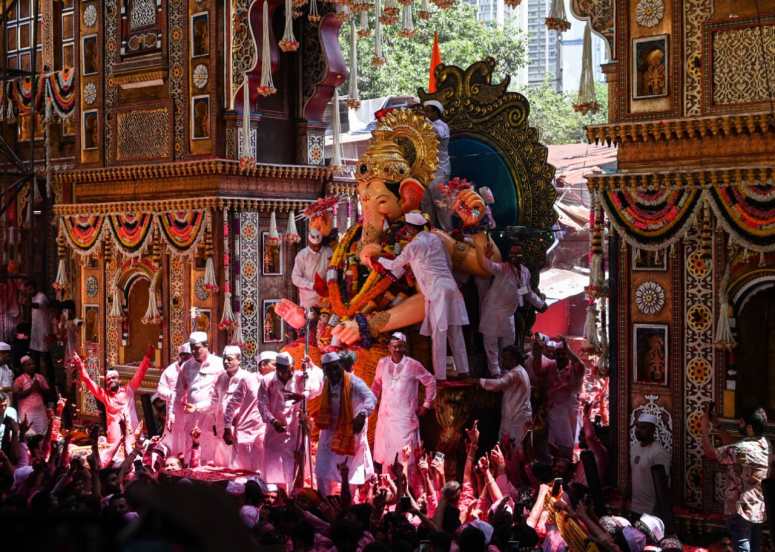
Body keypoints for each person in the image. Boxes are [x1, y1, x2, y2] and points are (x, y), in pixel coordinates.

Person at [376, 211, 470, 380]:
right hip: (451, 286)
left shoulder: (414, 246)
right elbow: (448, 263)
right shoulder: (436, 239)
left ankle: (440, 376)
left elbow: (394, 264)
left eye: (407, 228)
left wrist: (377, 259)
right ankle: (464, 370)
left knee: (439, 333)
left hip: (437, 290)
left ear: (411, 228)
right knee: (455, 330)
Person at [702, 405, 769, 552]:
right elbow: (733, 445)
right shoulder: (764, 444)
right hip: (758, 506)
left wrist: (704, 429)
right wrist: (717, 424)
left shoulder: (741, 449)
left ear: (749, 427)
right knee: (755, 546)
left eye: (742, 422)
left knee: (742, 545)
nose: (739, 424)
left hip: (740, 508)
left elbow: (710, 453)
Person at [309, 351, 376, 495]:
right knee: (322, 468)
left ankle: (349, 504)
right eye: (328, 369)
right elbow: (311, 380)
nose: (332, 372)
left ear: (340, 366)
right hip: (329, 431)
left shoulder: (353, 381)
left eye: (335, 368)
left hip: (349, 432)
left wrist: (363, 414)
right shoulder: (327, 382)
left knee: (349, 471)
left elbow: (371, 398)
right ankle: (324, 501)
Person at [72, 346, 154, 463]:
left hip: (132, 439)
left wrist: (147, 357)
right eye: (108, 380)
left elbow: (140, 373)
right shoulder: (105, 396)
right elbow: (88, 382)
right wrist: (80, 365)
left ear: (119, 380)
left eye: (113, 378)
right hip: (114, 442)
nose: (110, 381)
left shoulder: (128, 390)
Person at [477, 243, 546, 376]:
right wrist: (485, 256)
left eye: (517, 254)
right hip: (492, 312)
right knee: (491, 347)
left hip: (509, 315)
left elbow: (526, 291)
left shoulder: (525, 272)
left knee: (508, 346)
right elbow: (489, 266)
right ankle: (495, 375)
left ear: (522, 256)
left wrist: (540, 304)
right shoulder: (503, 268)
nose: (514, 257)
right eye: (512, 254)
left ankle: (507, 373)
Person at [258, 352, 324, 489]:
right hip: (275, 429)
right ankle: (278, 494)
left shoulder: (301, 377)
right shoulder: (267, 380)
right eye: (284, 370)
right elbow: (262, 404)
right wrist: (273, 421)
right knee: (275, 466)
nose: (290, 372)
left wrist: (303, 393)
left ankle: (294, 494)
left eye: (291, 369)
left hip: (296, 428)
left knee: (295, 463)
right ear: (278, 369)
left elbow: (317, 388)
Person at [371, 332, 436, 468]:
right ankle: (388, 486)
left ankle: (407, 486)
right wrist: (372, 403)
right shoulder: (382, 363)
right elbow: (376, 385)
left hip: (404, 418)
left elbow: (430, 381)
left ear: (404, 347)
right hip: (386, 417)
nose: (396, 349)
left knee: (404, 456)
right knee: (386, 456)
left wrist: (426, 404)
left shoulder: (413, 365)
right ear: (388, 347)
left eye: (399, 346)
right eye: (393, 346)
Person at [168, 331, 224, 463]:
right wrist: (172, 413)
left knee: (209, 449)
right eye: (192, 347)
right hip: (191, 416)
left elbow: (222, 394)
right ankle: (189, 477)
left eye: (198, 347)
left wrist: (200, 407)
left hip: (211, 415)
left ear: (206, 346)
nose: (194, 351)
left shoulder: (219, 364)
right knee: (190, 448)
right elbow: (178, 392)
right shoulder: (186, 366)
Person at [531, 336, 584, 462]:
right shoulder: (551, 365)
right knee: (550, 443)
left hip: (568, 412)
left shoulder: (574, 369)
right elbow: (537, 369)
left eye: (563, 354)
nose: (560, 356)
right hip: (551, 411)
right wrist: (538, 351)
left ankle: (564, 468)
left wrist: (568, 350)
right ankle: (552, 468)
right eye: (557, 354)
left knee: (565, 443)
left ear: (568, 355)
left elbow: (580, 365)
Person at [220, 345, 265, 472]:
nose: (226, 362)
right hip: (240, 430)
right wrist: (227, 426)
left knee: (259, 467)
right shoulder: (248, 379)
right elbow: (230, 405)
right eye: (224, 359)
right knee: (238, 468)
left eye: (229, 359)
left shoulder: (276, 382)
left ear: (239, 360)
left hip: (261, 430)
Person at [478, 345, 532, 449]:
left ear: (514, 359)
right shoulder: (519, 371)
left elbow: (499, 384)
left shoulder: (516, 373)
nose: (503, 361)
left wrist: (478, 381)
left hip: (516, 419)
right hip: (517, 417)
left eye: (506, 359)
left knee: (514, 449)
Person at [420, 100, 453, 231]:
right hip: (426, 172)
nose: (426, 114)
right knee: (426, 204)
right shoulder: (426, 126)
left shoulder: (442, 126)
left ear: (435, 112)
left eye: (428, 111)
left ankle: (448, 234)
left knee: (441, 205)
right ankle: (431, 233)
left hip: (440, 171)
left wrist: (424, 121)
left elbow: (438, 134)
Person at [629, 413, 670, 516]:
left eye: (643, 427)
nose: (638, 430)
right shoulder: (634, 448)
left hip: (651, 510)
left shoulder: (658, 452)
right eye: (637, 426)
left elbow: (663, 484)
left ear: (652, 430)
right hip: (635, 507)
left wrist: (657, 510)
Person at [156, 342, 192, 453]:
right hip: (174, 411)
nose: (186, 359)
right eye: (183, 355)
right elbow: (160, 390)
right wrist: (171, 395)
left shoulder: (195, 369)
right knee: (174, 439)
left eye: (189, 356)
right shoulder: (170, 371)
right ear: (180, 356)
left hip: (191, 410)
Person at [291, 228, 333, 310]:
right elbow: (295, 278)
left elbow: (332, 269)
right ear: (309, 242)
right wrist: (312, 285)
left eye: (318, 245)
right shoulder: (302, 255)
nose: (316, 248)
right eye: (313, 246)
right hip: (308, 301)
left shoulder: (328, 252)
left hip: (326, 298)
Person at [13, 355, 50, 436]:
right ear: (23, 367)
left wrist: (40, 388)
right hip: (26, 413)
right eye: (29, 365)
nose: (32, 366)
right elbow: (16, 395)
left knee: (42, 434)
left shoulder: (40, 377)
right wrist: (31, 389)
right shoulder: (19, 379)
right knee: (28, 435)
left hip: (40, 411)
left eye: (33, 364)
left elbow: (48, 393)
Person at [24, 280, 52, 388]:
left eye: (29, 289)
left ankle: (49, 380)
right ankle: (37, 380)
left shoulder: (41, 297)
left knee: (45, 357)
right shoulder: (32, 298)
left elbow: (38, 305)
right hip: (35, 332)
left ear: (34, 288)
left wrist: (28, 303)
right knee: (35, 357)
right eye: (27, 290)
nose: (28, 292)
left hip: (44, 331)